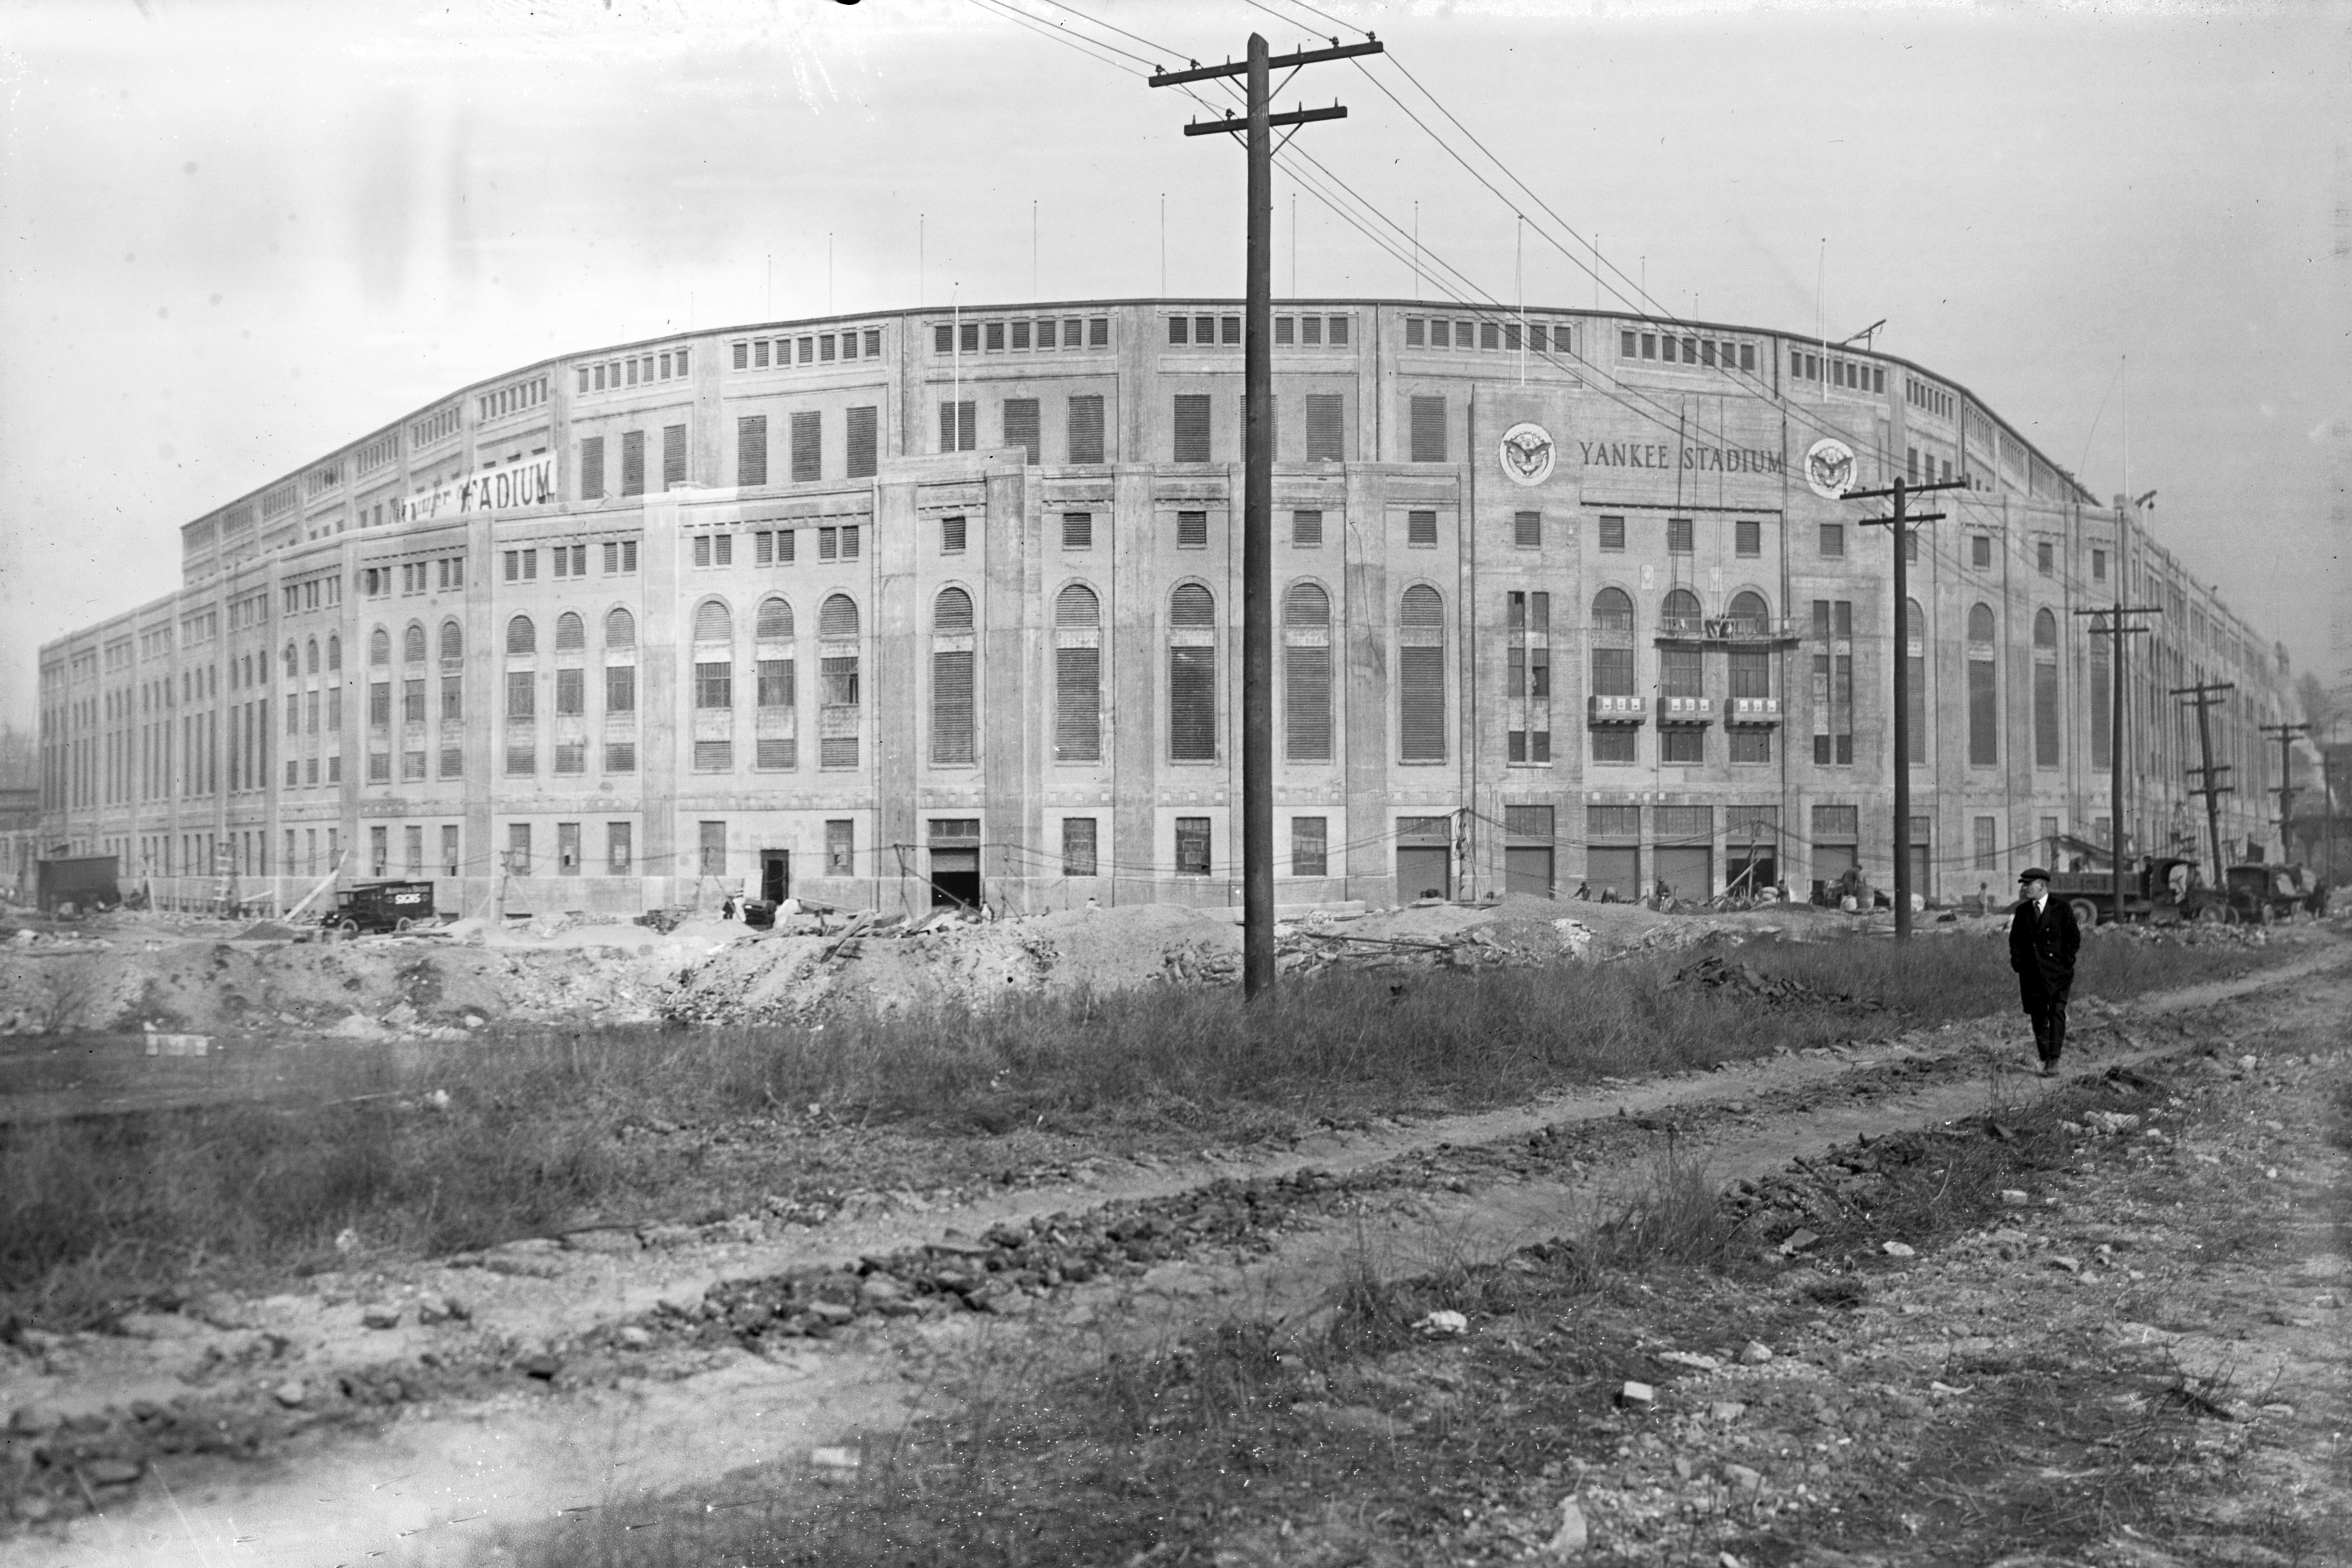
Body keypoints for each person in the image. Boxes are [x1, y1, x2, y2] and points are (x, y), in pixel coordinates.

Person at [2008, 867, 2081, 1078]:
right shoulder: (2022, 912)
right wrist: (2019, 963)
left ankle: (2054, 1060)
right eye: (2023, 885)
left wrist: (2066, 961)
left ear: (2042, 886)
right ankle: (2046, 1057)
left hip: (2059, 974)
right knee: (2038, 1017)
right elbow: (2015, 941)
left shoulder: (2062, 908)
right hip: (2032, 974)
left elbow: (2074, 938)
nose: (2024, 889)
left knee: (2057, 1013)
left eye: (2028, 885)